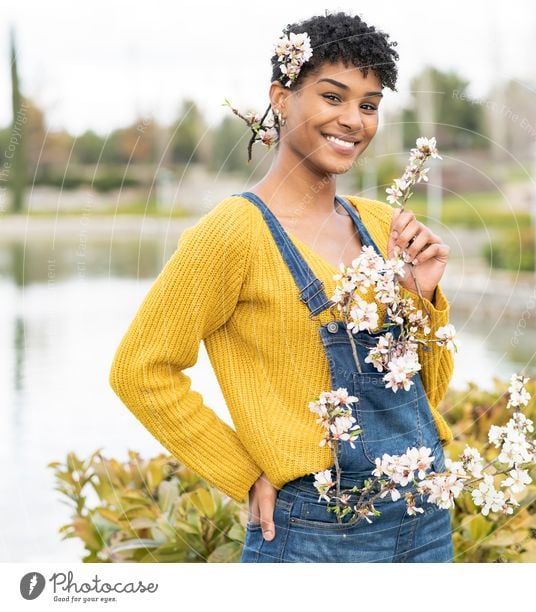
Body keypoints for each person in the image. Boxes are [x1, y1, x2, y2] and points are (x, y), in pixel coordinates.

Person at [108, 11, 455, 562]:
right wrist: (242, 473)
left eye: (369, 105)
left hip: (426, 523)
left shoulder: (382, 225)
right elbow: (140, 369)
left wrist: (421, 301)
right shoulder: (233, 233)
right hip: (314, 536)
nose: (353, 120)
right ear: (281, 96)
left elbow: (420, 400)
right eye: (333, 97)